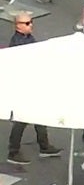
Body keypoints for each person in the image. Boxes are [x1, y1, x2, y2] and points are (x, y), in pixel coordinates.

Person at [6, 13, 63, 165]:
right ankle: (13, 151)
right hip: (24, 86)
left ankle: (44, 146)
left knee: (39, 115)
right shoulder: (18, 43)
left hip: (32, 83)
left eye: (31, 22)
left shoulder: (28, 38)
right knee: (22, 119)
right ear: (18, 25)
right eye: (27, 23)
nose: (30, 25)